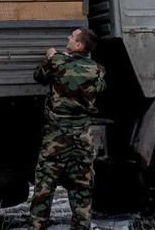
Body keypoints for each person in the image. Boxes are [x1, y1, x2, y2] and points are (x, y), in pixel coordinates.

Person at [27, 26, 106, 230]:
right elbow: (100, 87)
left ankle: (37, 227)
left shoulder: (57, 62)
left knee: (44, 189)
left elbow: (39, 77)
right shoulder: (97, 69)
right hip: (82, 138)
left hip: (56, 138)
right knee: (82, 191)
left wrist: (50, 57)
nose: (68, 38)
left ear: (78, 45)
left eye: (71, 37)